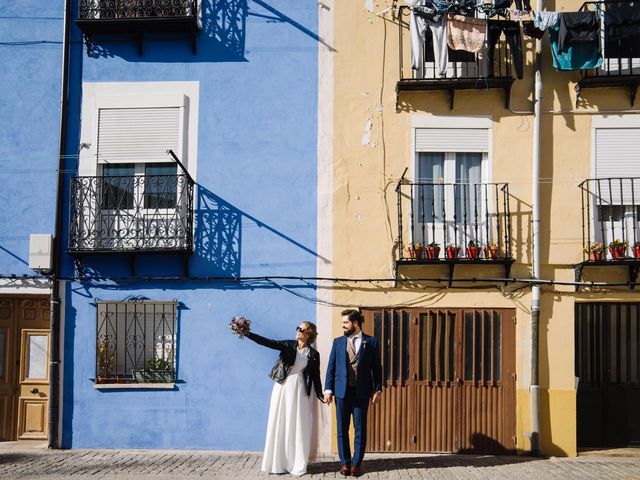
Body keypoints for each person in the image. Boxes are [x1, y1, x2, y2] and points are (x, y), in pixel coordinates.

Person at [244, 321, 324, 476]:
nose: (298, 331)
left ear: (309, 334)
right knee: (280, 421)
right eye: (298, 328)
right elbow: (267, 342)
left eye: (302, 329)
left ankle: (296, 463)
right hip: (282, 387)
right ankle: (278, 463)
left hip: (300, 390)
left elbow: (315, 376)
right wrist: (247, 333)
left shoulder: (314, 355)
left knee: (297, 424)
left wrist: (321, 395)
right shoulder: (288, 345)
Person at [324, 309, 382, 477]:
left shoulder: (372, 342)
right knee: (342, 429)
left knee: (360, 429)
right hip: (342, 392)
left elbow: (377, 368)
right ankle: (345, 463)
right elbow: (331, 368)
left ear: (355, 323)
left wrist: (378, 389)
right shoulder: (338, 342)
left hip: (362, 392)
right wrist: (328, 389)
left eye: (345, 323)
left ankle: (356, 464)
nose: (342, 326)